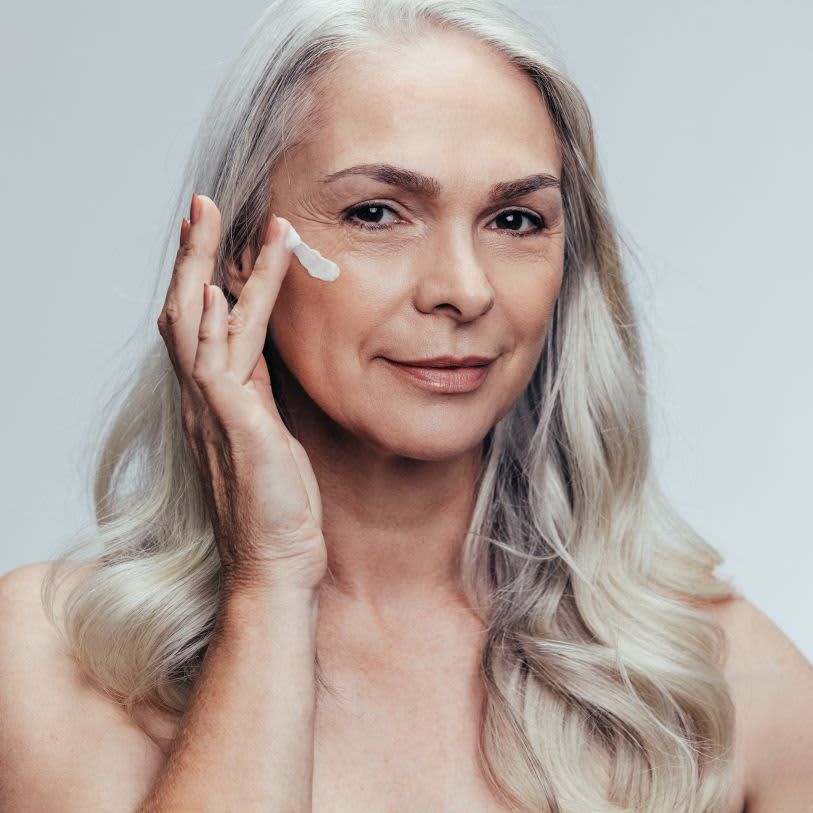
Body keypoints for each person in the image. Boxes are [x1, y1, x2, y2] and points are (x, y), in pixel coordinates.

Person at [1, 0, 811, 811]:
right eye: (376, 212)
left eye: (515, 218)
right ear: (241, 251)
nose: (462, 287)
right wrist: (271, 583)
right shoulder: (46, 659)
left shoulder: (726, 679)